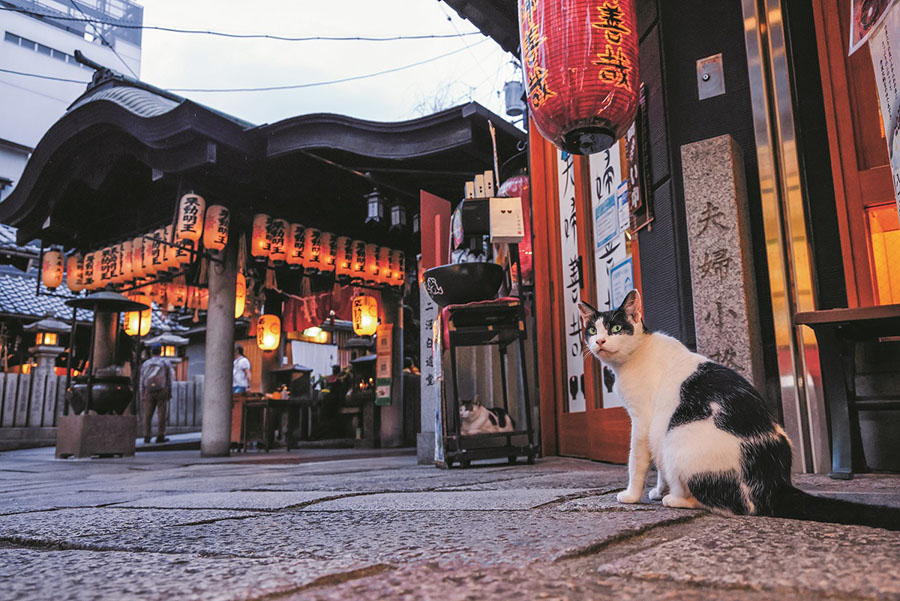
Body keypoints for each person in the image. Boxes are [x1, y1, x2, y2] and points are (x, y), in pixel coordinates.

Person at [140, 344, 175, 444]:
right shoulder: (165, 362)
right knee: (161, 414)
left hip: (148, 391)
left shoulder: (146, 363)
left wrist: (142, 392)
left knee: (147, 414)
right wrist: (169, 391)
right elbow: (169, 378)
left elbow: (142, 379)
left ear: (151, 352)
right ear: (160, 351)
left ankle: (147, 435)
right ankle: (160, 435)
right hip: (162, 390)